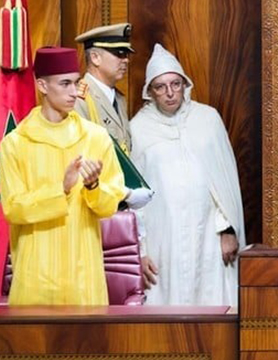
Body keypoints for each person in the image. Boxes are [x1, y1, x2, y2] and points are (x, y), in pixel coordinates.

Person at [0, 47, 125, 305]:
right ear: (42, 85)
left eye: (76, 82)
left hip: (84, 284)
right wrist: (62, 189)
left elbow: (110, 204)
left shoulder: (95, 138)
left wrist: (93, 186)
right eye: (65, 83)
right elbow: (13, 208)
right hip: (36, 284)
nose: (74, 92)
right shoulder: (15, 144)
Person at [130, 44, 245, 307]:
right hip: (163, 236)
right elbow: (134, 195)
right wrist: (141, 250)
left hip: (209, 234)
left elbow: (225, 182)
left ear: (185, 85)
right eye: (160, 87)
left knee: (211, 296)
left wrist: (228, 229)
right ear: (150, 92)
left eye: (175, 84)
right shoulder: (137, 128)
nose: (170, 93)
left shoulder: (208, 119)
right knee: (167, 299)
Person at [74, 23, 152, 209]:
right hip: (93, 203)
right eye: (119, 54)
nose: (125, 60)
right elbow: (81, 161)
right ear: (95, 57)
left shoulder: (118, 98)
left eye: (126, 54)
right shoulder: (80, 99)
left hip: (117, 202)